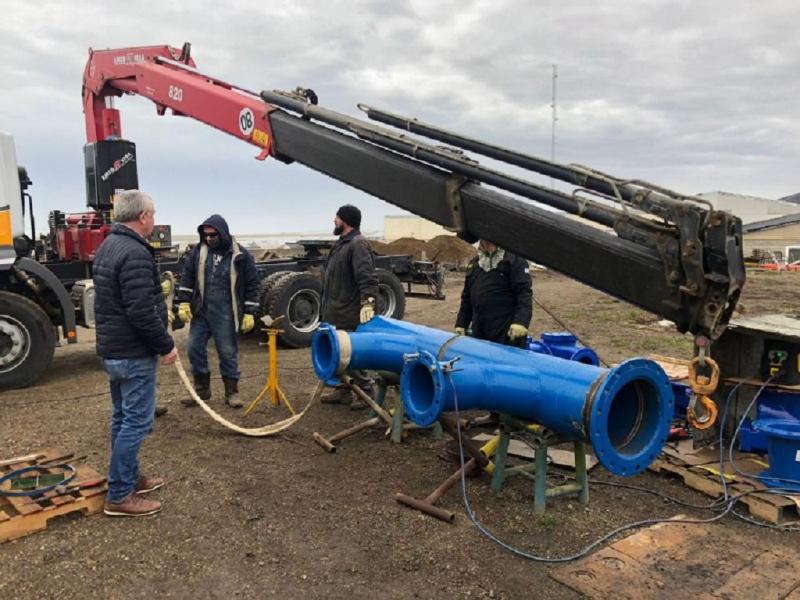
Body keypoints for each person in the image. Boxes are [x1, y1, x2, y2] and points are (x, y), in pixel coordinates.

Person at [93, 190, 178, 517]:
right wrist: (166, 345)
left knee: (122, 418)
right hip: (131, 352)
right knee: (136, 423)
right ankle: (119, 495)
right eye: (152, 214)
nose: (154, 219)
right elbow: (141, 312)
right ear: (142, 217)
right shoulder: (134, 253)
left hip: (114, 350)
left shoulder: (109, 246)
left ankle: (128, 478)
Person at [175, 215, 260, 408]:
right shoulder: (198, 251)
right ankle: (202, 390)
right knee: (194, 347)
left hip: (225, 312)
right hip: (202, 311)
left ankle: (232, 392)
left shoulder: (241, 256)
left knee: (227, 352)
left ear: (222, 233)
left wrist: (249, 312)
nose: (209, 239)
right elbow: (187, 277)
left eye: (213, 235)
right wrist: (184, 302)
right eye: (206, 235)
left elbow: (253, 284)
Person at [319, 204, 379, 409]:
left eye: (337, 217)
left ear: (345, 220)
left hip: (347, 312)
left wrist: (368, 305)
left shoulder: (357, 244)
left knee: (349, 356)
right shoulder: (341, 244)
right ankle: (343, 392)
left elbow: (368, 279)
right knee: (338, 355)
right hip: (334, 310)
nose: (334, 220)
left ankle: (366, 391)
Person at [455, 239, 533, 347]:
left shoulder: (515, 261)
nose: (488, 243)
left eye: (491, 240)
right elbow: (467, 298)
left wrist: (521, 322)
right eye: (484, 240)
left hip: (506, 330)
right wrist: (461, 323)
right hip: (479, 329)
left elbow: (524, 294)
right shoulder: (474, 264)